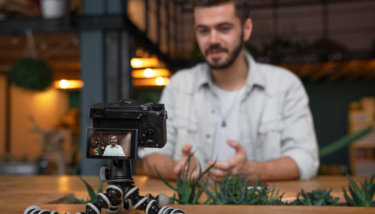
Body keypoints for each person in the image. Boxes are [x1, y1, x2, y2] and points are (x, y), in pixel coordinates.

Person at [139, 0, 319, 182]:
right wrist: (178, 170)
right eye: (203, 31)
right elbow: (151, 157)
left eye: (224, 28)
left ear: (246, 29)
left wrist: (253, 171)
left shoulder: (284, 84)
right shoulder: (179, 85)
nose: (213, 40)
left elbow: (306, 158)